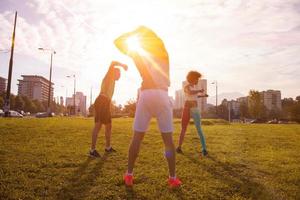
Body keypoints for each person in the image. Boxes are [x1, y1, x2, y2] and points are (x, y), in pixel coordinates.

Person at [114, 26, 182, 188]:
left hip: (145, 95)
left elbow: (117, 42)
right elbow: (157, 41)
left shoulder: (139, 55)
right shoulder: (163, 53)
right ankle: (172, 178)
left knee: (137, 137)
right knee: (168, 141)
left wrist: (133, 32)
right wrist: (144, 32)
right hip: (162, 95)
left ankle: (129, 175)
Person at [89, 61, 128, 158]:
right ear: (114, 72)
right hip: (101, 101)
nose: (119, 76)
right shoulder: (109, 76)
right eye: (119, 74)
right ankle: (92, 150)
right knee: (98, 126)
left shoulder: (113, 81)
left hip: (105, 103)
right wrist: (122, 65)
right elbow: (112, 62)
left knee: (109, 126)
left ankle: (108, 147)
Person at [176, 71, 208, 156]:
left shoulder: (194, 87)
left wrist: (203, 95)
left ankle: (204, 149)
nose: (198, 80)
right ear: (192, 78)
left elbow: (195, 96)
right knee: (183, 128)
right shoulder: (186, 87)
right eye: (197, 78)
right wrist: (199, 91)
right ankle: (179, 147)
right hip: (187, 108)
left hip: (195, 108)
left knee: (199, 128)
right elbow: (190, 93)